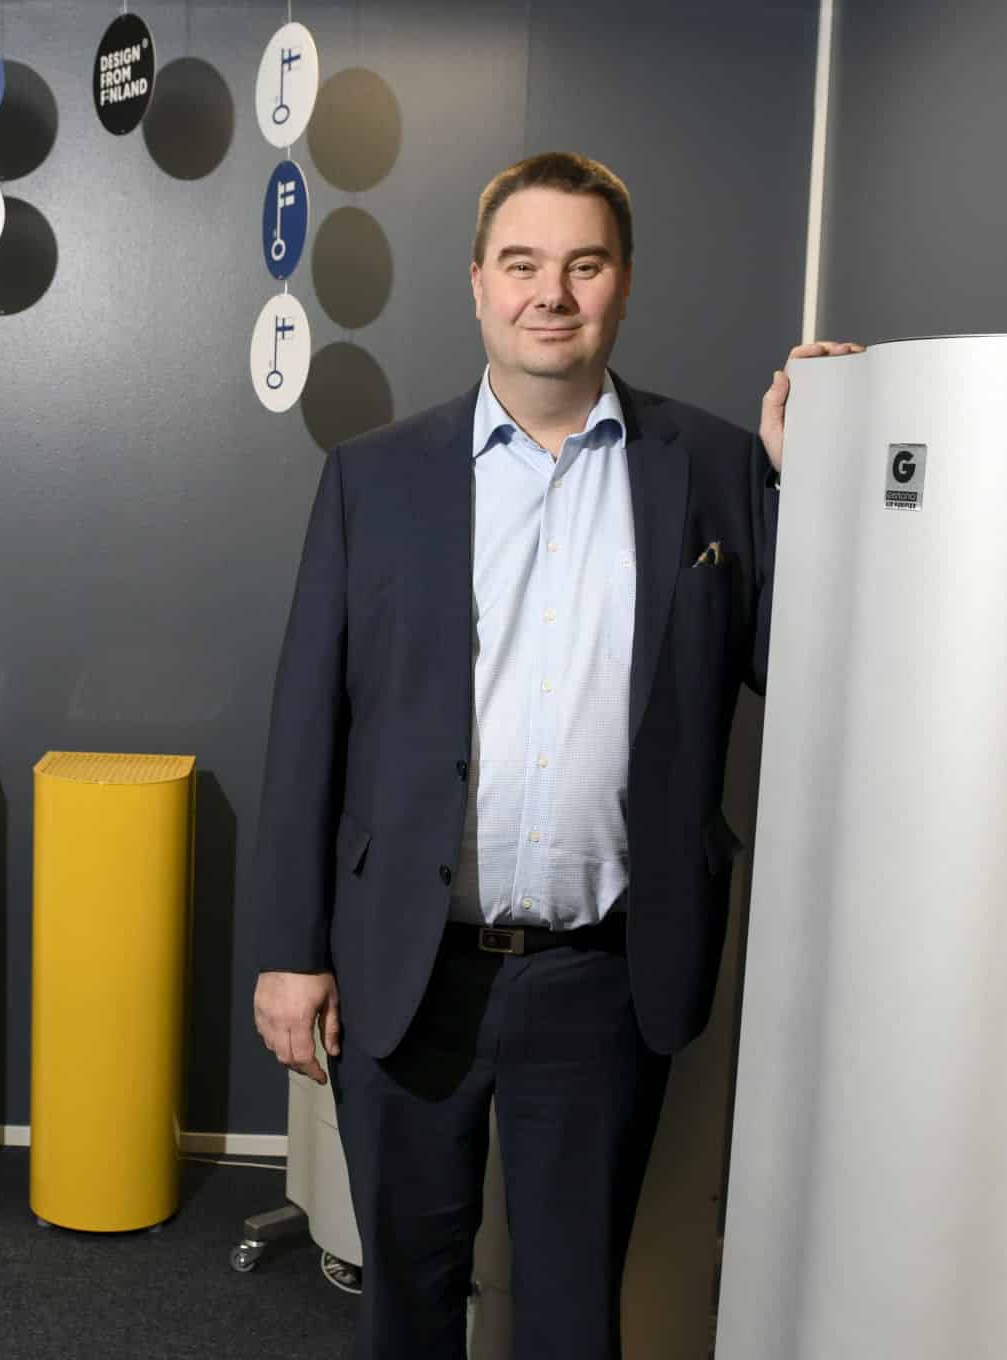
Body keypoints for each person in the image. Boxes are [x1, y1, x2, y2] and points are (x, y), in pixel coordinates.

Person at [247, 150, 859, 1359]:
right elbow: (308, 719)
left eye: (585, 265)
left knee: (575, 1312)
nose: (552, 294)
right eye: (523, 264)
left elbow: (806, 670)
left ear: (623, 282)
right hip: (405, 968)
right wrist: (287, 951)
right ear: (478, 282)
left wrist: (817, 483)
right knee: (407, 1297)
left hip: (602, 979)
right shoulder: (375, 477)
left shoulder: (718, 466)